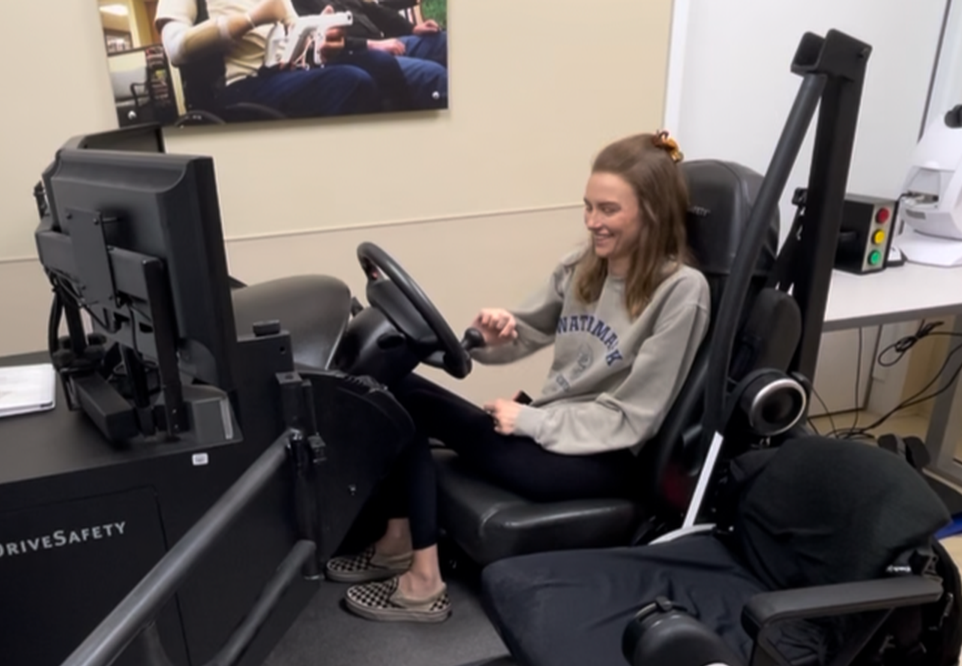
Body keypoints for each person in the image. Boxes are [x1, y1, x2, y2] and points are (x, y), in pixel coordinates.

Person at [327, 131, 712, 624]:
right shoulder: (584, 266)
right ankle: (399, 541)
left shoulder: (681, 291)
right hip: (552, 431)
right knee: (392, 388)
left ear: (652, 212)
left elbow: (632, 418)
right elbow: (526, 331)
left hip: (601, 457)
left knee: (407, 399)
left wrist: (531, 421)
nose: (592, 222)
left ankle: (422, 583)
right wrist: (491, 336)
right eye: (588, 206)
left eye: (609, 210)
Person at [155, 0, 382, 119]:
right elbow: (175, 47)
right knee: (352, 82)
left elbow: (297, 34)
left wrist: (320, 38)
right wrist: (249, 19)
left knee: (379, 64)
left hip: (281, 74)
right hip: (236, 87)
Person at [291, 0, 447, 109]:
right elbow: (320, 42)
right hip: (354, 55)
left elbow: (373, 10)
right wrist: (371, 44)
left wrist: (412, 28)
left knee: (442, 42)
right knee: (434, 75)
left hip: (384, 43)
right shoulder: (295, 4)